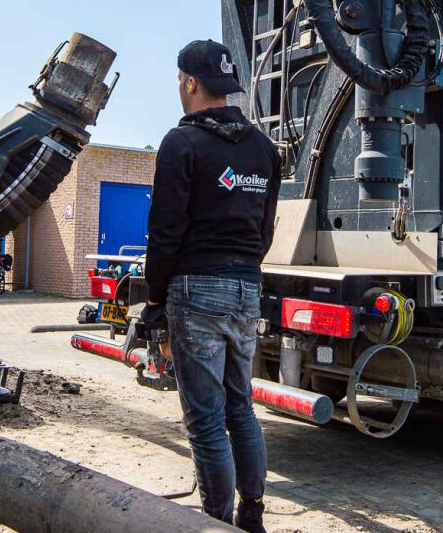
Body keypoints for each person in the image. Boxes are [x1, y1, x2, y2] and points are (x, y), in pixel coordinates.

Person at [142, 39, 281, 533]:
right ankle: (253, 515)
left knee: (205, 418)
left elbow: (165, 231)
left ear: (191, 82)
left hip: (196, 289)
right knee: (240, 407)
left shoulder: (181, 144)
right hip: (247, 287)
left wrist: (154, 300)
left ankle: (215, 524)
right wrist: (243, 271)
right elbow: (265, 230)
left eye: (180, 81)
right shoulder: (264, 149)